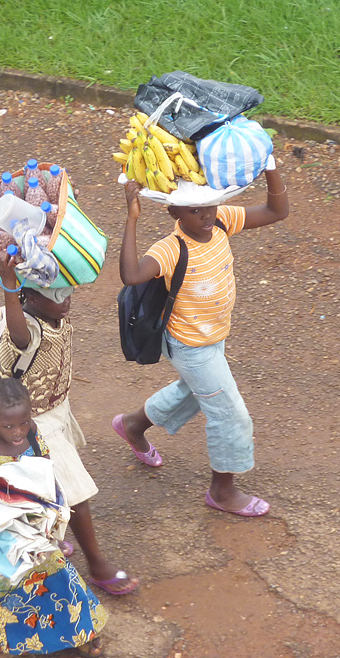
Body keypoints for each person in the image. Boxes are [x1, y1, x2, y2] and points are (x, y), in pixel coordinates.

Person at [113, 157, 289, 516]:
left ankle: (132, 425)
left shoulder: (223, 219)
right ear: (174, 211)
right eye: (195, 210)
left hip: (214, 338)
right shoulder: (170, 248)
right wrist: (132, 218)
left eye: (210, 204)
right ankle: (222, 492)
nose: (206, 215)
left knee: (193, 393)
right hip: (191, 346)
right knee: (230, 414)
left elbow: (276, 211)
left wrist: (270, 167)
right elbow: (131, 275)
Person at [0, 250, 139, 595]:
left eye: (69, 290)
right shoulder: (25, 330)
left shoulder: (54, 319)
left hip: (56, 410)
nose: (67, 300)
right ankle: (98, 565)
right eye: (56, 293)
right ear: (30, 297)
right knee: (74, 492)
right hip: (33, 423)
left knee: (42, 489)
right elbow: (18, 331)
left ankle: (47, 539)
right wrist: (8, 285)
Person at [0, 378, 107, 657]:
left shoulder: (33, 435)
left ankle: (78, 629)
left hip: (30, 527)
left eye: (24, 422)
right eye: (8, 426)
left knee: (56, 572)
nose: (18, 432)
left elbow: (44, 464)